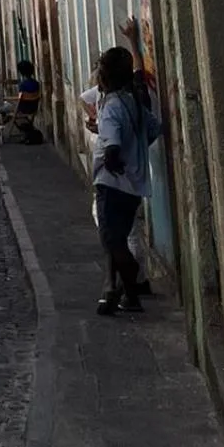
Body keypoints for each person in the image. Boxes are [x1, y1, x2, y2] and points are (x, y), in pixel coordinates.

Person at [92, 42, 162, 315]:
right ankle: (128, 297)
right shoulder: (131, 101)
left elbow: (111, 145)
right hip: (134, 183)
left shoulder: (110, 106)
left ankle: (129, 273)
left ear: (105, 75)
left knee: (111, 240)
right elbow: (154, 129)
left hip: (112, 183)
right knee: (117, 236)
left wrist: (113, 157)